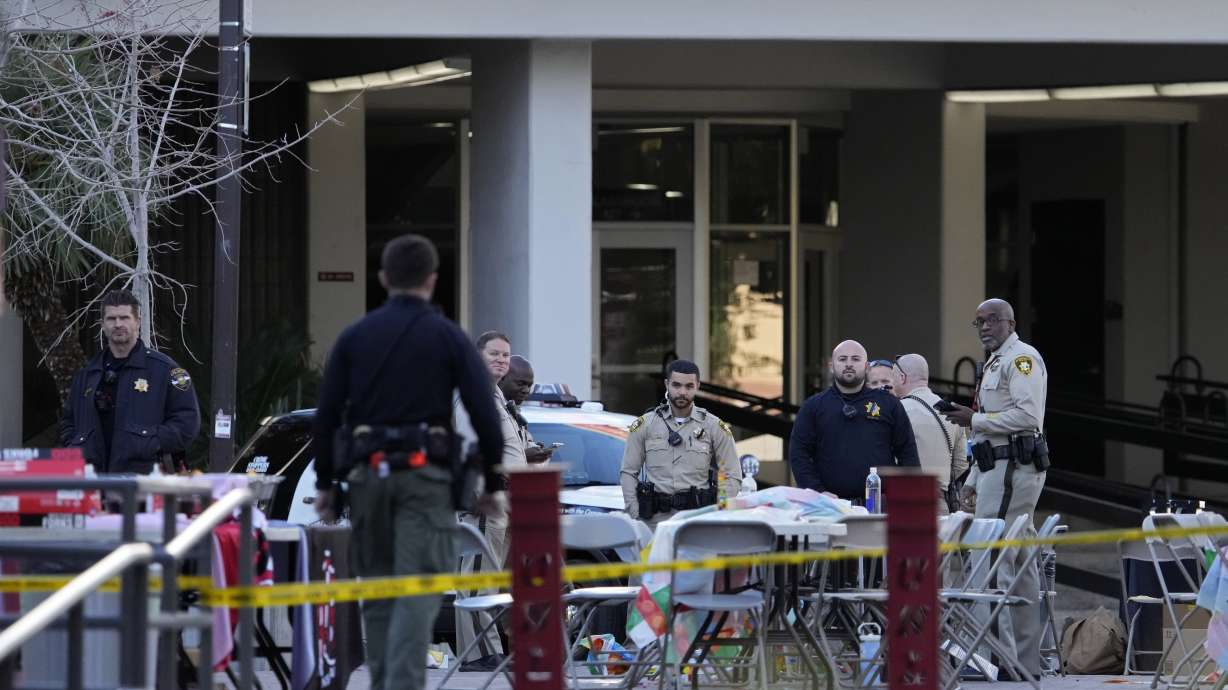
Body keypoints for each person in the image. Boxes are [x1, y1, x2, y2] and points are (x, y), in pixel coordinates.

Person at [310, 234, 504, 690]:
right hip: (425, 479)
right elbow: (483, 412)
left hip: (367, 479)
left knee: (378, 591)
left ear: (383, 279)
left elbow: (327, 415)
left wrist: (324, 486)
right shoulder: (449, 338)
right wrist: (493, 482)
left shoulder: (355, 337)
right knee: (417, 588)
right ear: (433, 281)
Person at [941, 298, 1050, 678]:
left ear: (1010, 322)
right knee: (1014, 560)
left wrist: (976, 418)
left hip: (1014, 469)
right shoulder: (995, 361)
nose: (984, 327)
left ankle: (1004, 659)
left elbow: (1028, 415)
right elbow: (990, 431)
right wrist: (973, 478)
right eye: (978, 322)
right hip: (995, 469)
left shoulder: (1022, 359)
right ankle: (1018, 658)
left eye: (991, 320)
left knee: (1001, 560)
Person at [60, 289, 199, 474]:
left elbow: (187, 423)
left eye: (124, 318)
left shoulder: (164, 370)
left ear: (137, 322)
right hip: (93, 480)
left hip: (143, 481)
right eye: (111, 319)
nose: (118, 324)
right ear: (102, 324)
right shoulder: (88, 374)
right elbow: (68, 423)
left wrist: (149, 442)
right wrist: (76, 446)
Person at [788, 340, 920, 501]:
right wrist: (817, 492)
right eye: (842, 359)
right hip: (830, 508)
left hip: (880, 506)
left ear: (867, 367)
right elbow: (798, 454)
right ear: (831, 366)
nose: (848, 364)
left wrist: (907, 495)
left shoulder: (889, 404)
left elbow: (908, 453)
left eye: (855, 359)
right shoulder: (813, 407)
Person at [619, 359, 741, 526]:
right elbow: (628, 472)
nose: (682, 392)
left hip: (697, 523)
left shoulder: (714, 427)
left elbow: (731, 475)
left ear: (697, 386)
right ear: (667, 384)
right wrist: (635, 514)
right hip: (654, 523)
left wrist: (718, 514)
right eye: (676, 385)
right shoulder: (645, 425)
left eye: (689, 386)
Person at [891, 353, 968, 514]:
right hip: (941, 505)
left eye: (893, 377)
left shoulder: (897, 410)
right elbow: (961, 466)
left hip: (905, 503)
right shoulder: (951, 411)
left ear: (902, 378)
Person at [497, 355, 555, 464]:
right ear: (502, 378)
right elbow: (484, 458)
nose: (526, 390)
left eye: (529, 385)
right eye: (520, 384)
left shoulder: (514, 414)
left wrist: (533, 448)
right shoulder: (491, 412)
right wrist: (524, 457)